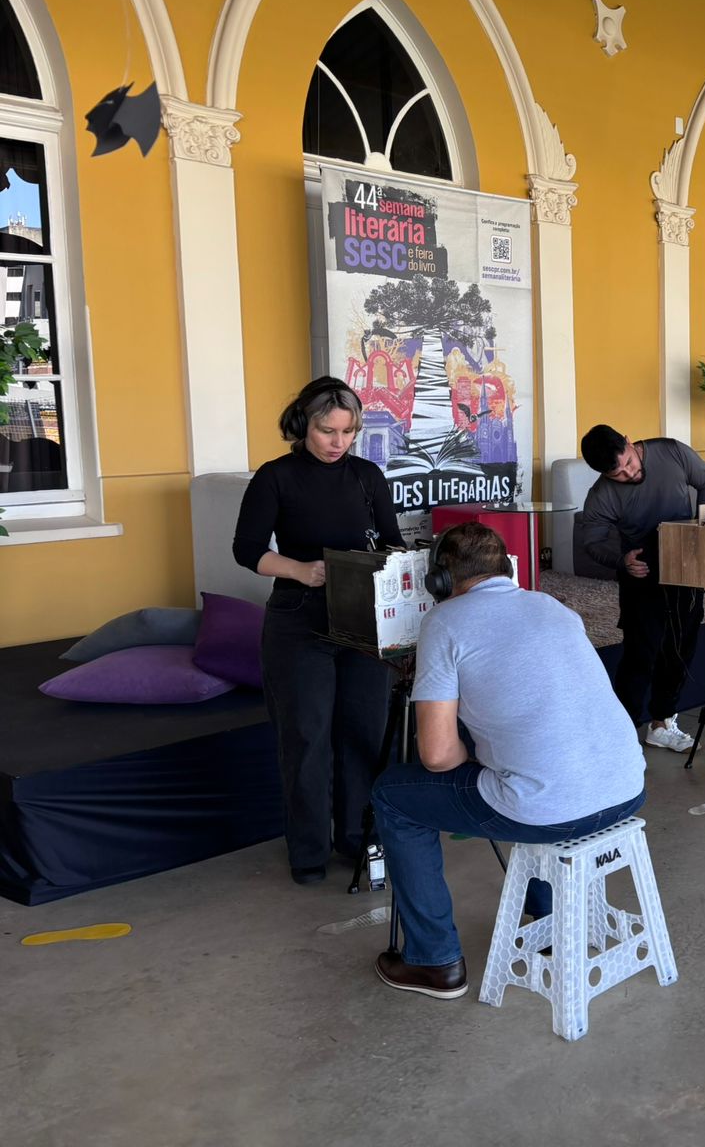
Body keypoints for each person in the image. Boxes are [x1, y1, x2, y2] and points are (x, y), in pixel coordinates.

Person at [370, 523, 645, 999]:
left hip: (551, 808)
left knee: (393, 796)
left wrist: (473, 756)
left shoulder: (445, 622)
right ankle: (551, 920)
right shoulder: (553, 606)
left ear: (440, 581)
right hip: (626, 789)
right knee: (526, 772)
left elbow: (437, 756)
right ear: (508, 570)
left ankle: (434, 961)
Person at [232, 376, 403, 886]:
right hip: (298, 619)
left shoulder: (368, 476)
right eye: (328, 431)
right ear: (303, 425)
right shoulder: (275, 477)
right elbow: (247, 549)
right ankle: (308, 851)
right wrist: (300, 570)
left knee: (364, 733)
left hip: (363, 621)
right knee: (306, 737)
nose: (338, 442)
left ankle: (357, 839)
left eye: (348, 432)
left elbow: (392, 541)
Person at [579, 425, 705, 751]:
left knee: (681, 647)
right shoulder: (601, 495)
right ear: (604, 475)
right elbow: (592, 542)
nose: (629, 474)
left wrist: (704, 526)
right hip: (640, 569)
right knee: (640, 653)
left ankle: (662, 722)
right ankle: (623, 732)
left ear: (629, 442)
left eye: (629, 462)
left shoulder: (672, 452)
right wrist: (621, 560)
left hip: (685, 562)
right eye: (618, 474)